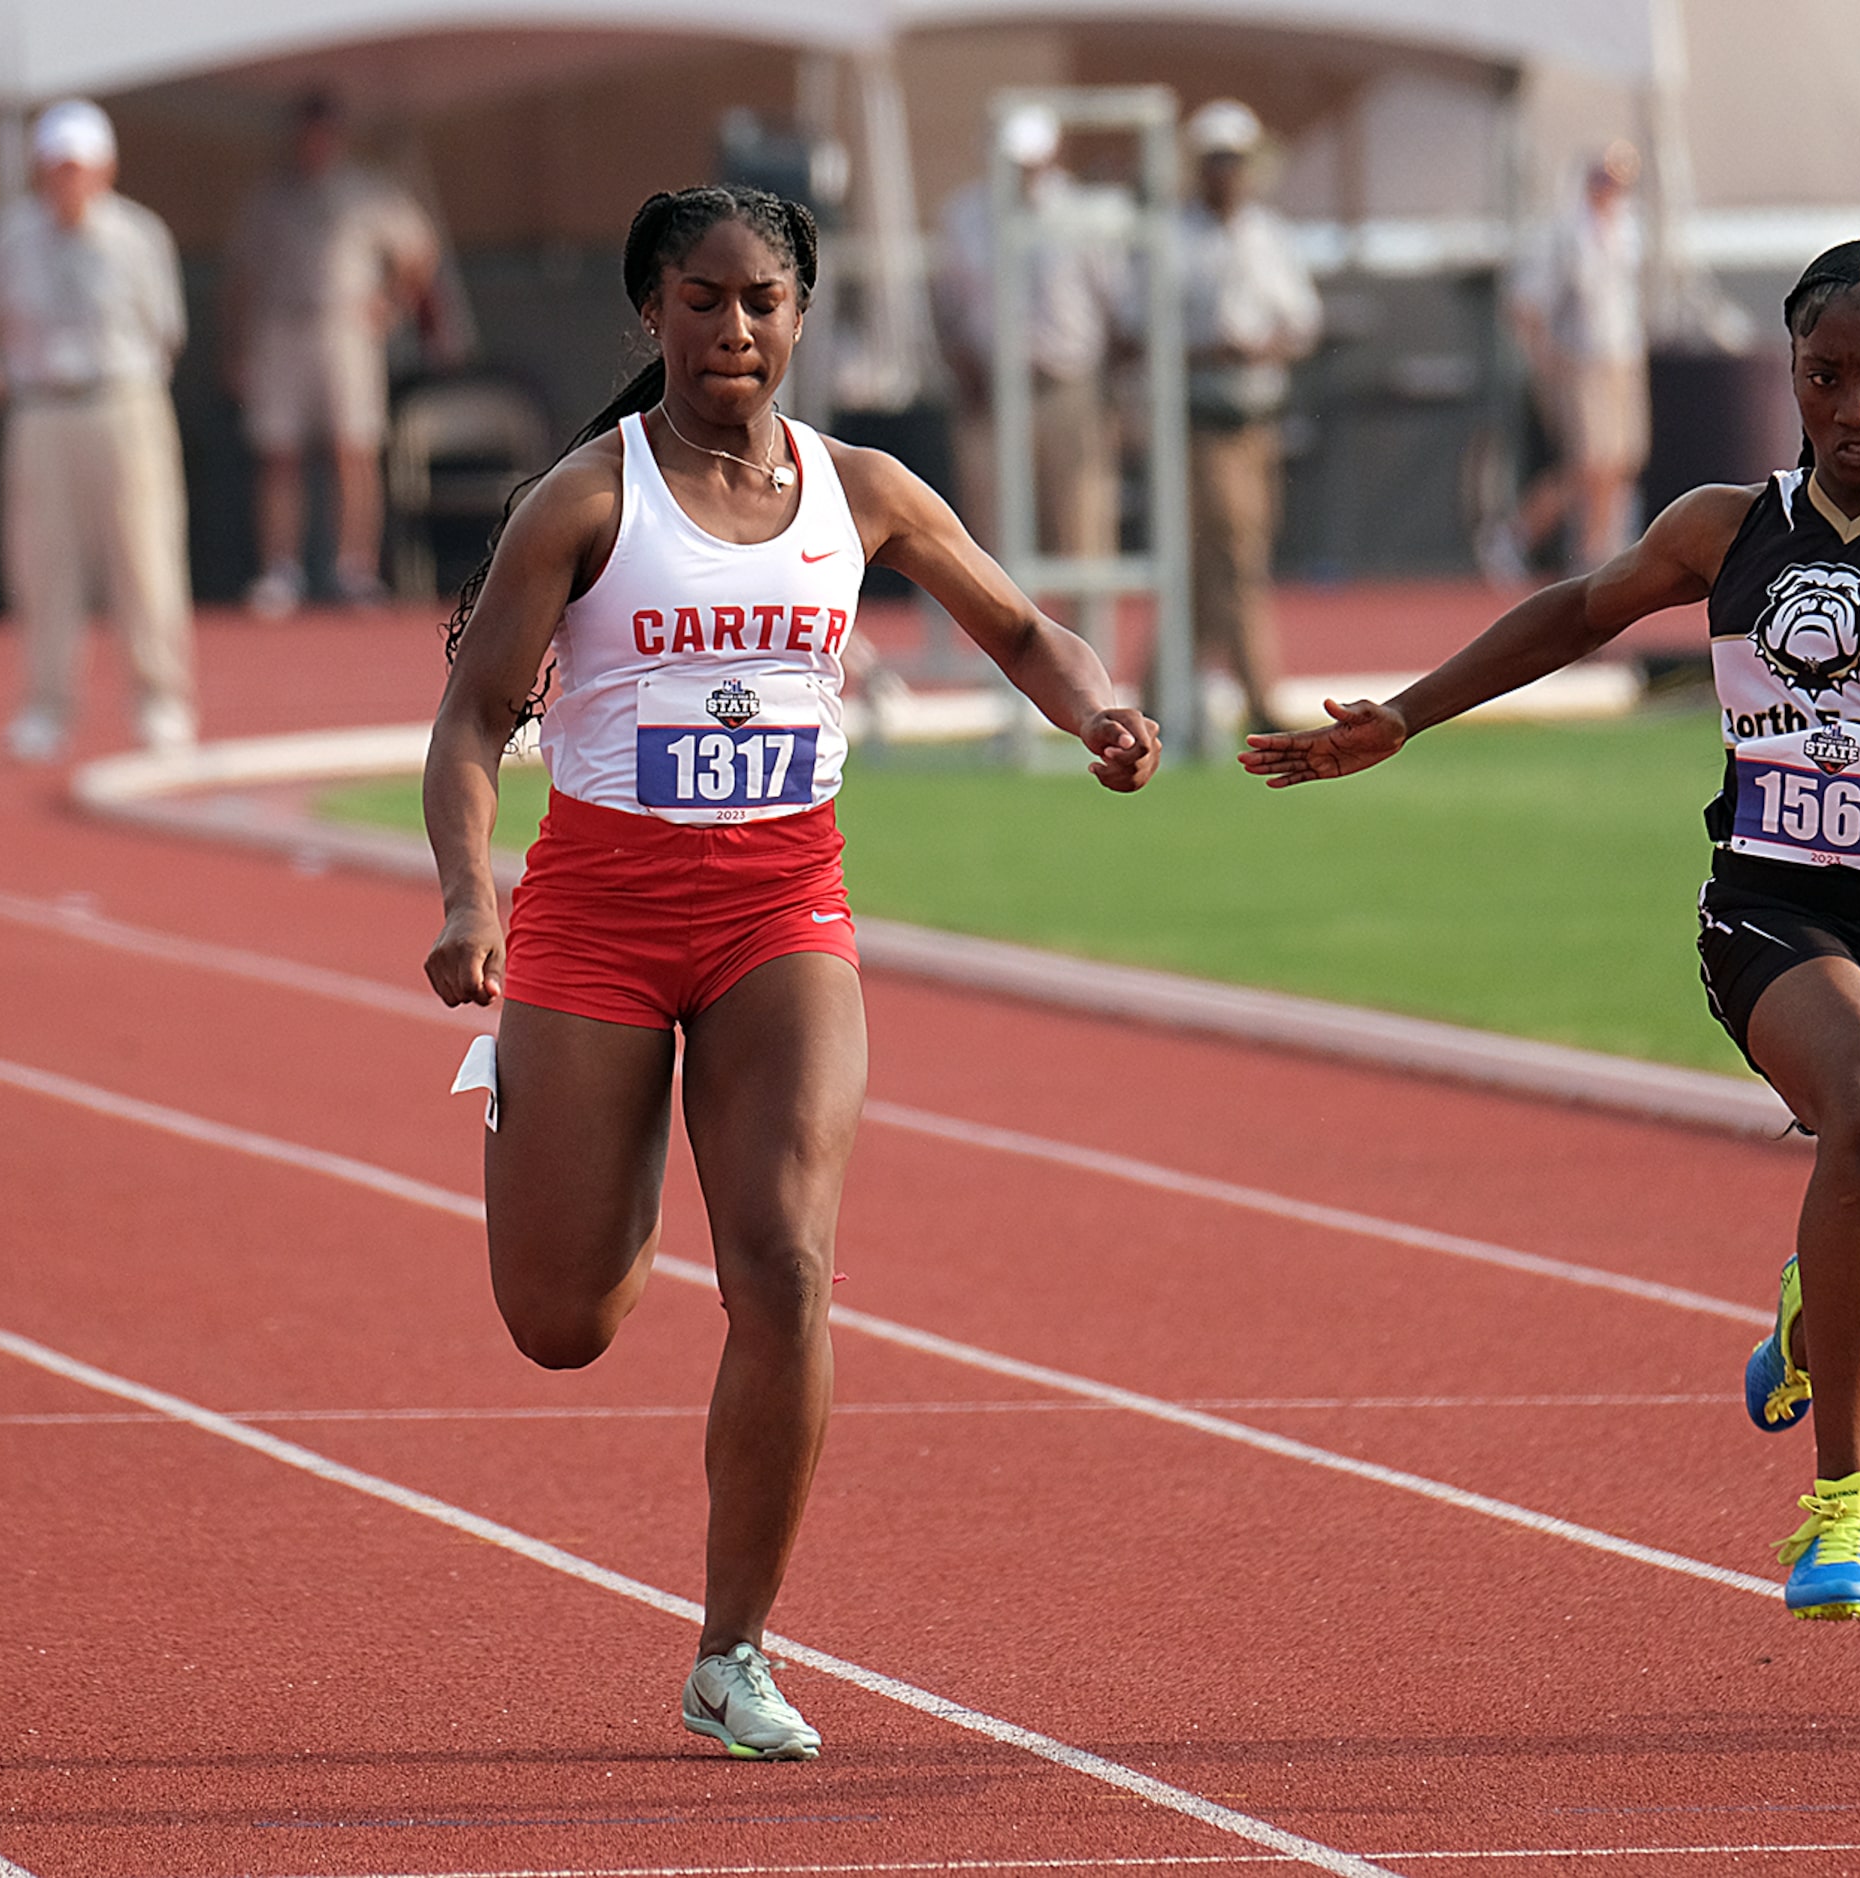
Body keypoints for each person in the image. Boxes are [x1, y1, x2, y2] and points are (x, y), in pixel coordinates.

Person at [1242, 239, 1860, 1622]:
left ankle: (1807, 1318)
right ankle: (1839, 1509)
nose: (1856, 411)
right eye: (1823, 379)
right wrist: (1403, 714)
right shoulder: (1725, 525)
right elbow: (1575, 612)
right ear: (1791, 379)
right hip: (1769, 907)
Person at [422, 186, 1158, 1756]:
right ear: (651, 316)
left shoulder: (866, 489)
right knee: (563, 1319)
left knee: (788, 1266)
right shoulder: (584, 499)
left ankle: (730, 1649)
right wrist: (470, 898)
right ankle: (553, 1129)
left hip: (780, 913)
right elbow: (472, 720)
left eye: (760, 300)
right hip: (598, 918)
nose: (732, 329)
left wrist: (1095, 708)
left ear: (802, 316)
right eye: (700, 300)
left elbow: (1023, 626)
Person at [0, 98, 196, 762]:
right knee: (42, 564)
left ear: (105, 169)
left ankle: (162, 701)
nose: (67, 181)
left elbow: (166, 330)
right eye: (56, 167)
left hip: (123, 404)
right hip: (41, 410)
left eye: (79, 167)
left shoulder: (138, 236)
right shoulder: (5, 240)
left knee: (144, 556)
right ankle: (45, 705)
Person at [226, 90, 452, 614]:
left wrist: (392, 304)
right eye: (307, 131)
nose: (314, 143)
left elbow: (420, 250)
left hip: (344, 327)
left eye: (324, 132)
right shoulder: (270, 198)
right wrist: (236, 351)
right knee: (279, 453)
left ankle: (355, 570)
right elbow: (241, 279)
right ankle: (281, 570)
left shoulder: (366, 191)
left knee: (354, 450)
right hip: (281, 326)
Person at [1175, 98, 1321, 735]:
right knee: (1233, 554)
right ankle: (1260, 693)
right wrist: (1211, 350)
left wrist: (1262, 347)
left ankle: (1159, 689)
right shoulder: (1173, 238)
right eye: (1217, 160)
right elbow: (1137, 331)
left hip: (1256, 415)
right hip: (1198, 415)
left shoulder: (1269, 234)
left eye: (1235, 160)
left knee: (1217, 560)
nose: (1227, 172)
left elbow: (1302, 324)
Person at [935, 104, 1129, 581]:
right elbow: (947, 306)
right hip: (993, 387)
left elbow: (1117, 305)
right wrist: (962, 368)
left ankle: (1087, 649)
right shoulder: (964, 215)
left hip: (1067, 385)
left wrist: (1108, 393)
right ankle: (1005, 651)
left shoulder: (1082, 214)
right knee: (992, 537)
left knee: (1082, 530)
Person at [1503, 141, 1650, 576]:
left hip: (1622, 356)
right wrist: (1544, 354)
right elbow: (1527, 303)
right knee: (1588, 464)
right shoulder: (1565, 234)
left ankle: (1598, 553)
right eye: (1605, 179)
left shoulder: (1627, 230)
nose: (1612, 190)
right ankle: (1518, 533)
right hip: (1581, 360)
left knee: (1619, 463)